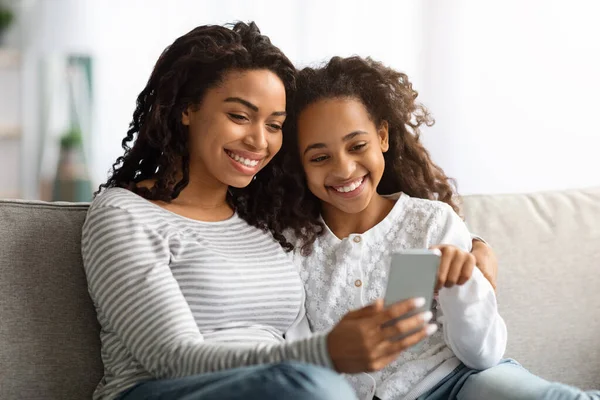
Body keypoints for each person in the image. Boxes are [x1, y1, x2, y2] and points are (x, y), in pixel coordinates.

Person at [81, 23, 443, 400]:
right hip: (164, 390)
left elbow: (361, 218)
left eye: (274, 125)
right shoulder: (124, 214)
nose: (259, 141)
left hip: (286, 387)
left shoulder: (264, 217)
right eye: (240, 117)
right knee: (317, 388)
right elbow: (172, 358)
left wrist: (472, 247)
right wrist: (325, 353)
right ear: (187, 108)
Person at [272, 55, 600, 400]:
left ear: (382, 136)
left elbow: (482, 355)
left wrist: (462, 284)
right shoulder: (294, 246)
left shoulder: (431, 222)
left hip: (459, 383)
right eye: (320, 157)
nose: (344, 169)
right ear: (300, 163)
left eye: (358, 146)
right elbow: (300, 361)